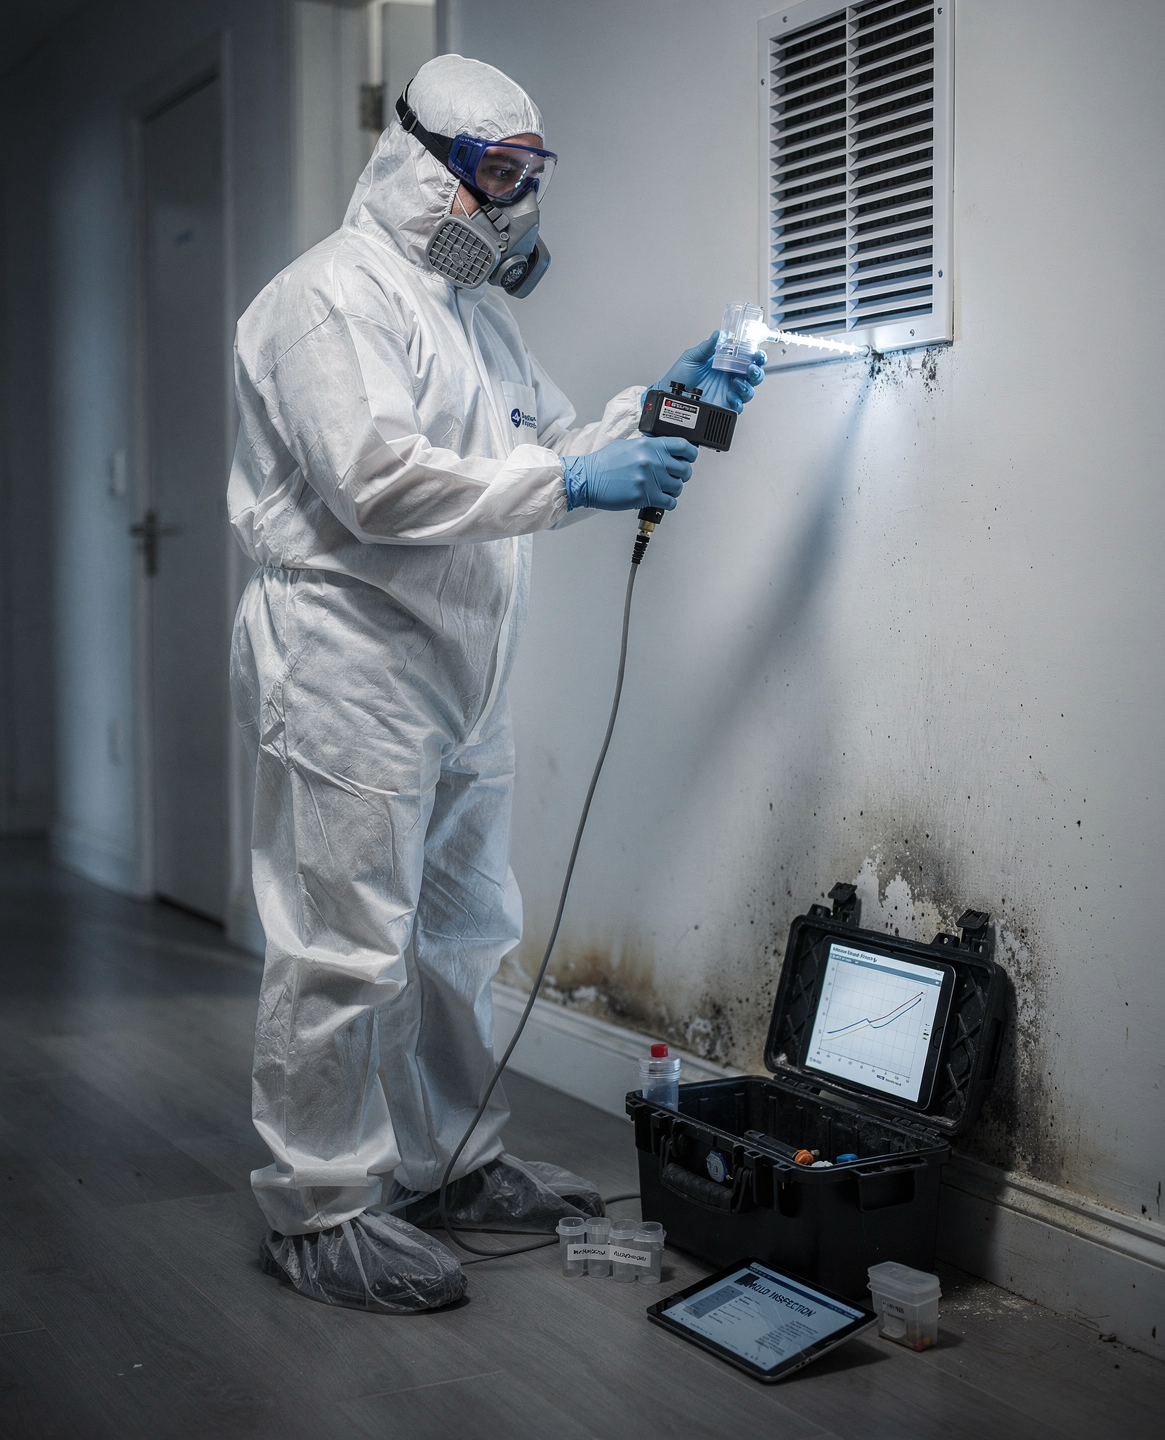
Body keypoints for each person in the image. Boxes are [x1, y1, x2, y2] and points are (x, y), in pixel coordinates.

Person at [227, 53, 764, 1314]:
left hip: (462, 664)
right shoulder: (324, 301)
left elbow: (552, 448)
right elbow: (382, 482)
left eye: (531, 179)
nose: (517, 210)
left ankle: (452, 1163)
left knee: (464, 932)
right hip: (351, 657)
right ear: (424, 163)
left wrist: (674, 405)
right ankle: (321, 1209)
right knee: (347, 949)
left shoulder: (475, 315)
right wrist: (576, 486)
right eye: (499, 178)